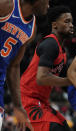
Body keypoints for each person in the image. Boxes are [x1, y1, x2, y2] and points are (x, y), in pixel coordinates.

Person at [20, 6, 76, 131]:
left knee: (64, 127)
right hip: (28, 99)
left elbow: (70, 78)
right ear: (55, 25)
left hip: (42, 100)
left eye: (71, 21)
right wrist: (71, 81)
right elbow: (41, 78)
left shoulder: (62, 51)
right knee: (56, 128)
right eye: (67, 21)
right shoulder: (50, 44)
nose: (71, 25)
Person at [0, 0, 49, 130]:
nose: (48, 6)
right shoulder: (6, 5)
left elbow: (14, 66)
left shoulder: (32, 29)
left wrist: (18, 105)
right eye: (48, 1)